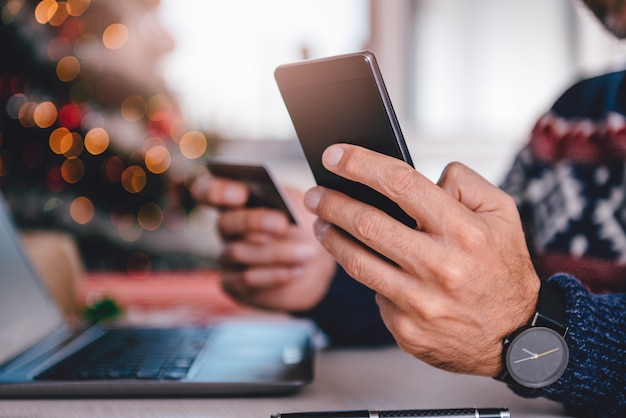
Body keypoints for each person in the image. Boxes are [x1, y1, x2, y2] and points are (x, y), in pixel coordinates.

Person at [191, 0, 626, 416]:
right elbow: (478, 298)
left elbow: (511, 310)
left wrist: (530, 328)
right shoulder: (575, 117)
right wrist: (330, 278)